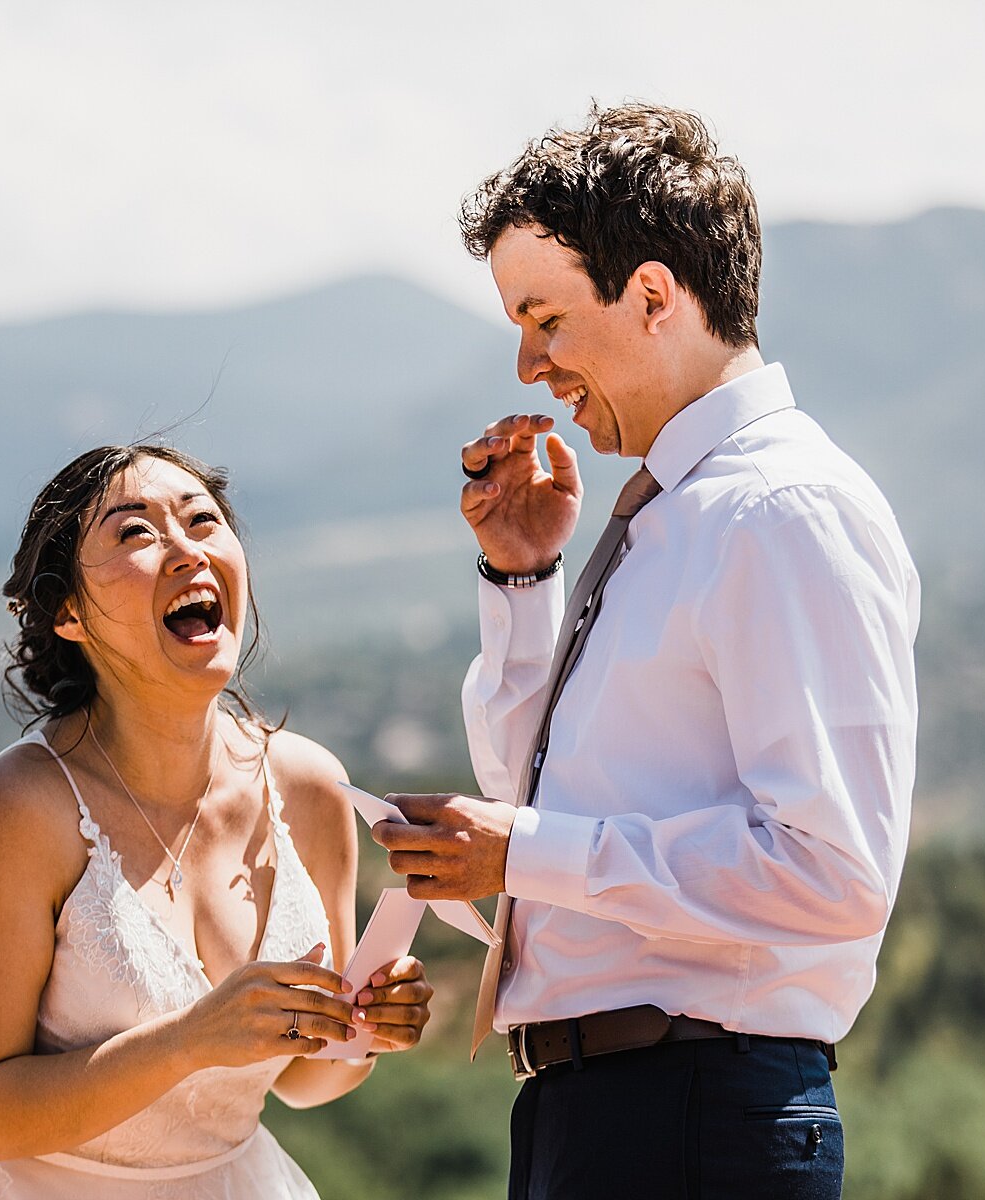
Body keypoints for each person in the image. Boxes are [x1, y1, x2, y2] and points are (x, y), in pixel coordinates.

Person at [371, 103, 919, 1197]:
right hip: (608, 1117)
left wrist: (523, 855)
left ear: (655, 296)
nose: (530, 365)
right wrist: (524, 579)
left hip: (696, 1118)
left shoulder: (780, 510)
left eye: (547, 320)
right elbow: (540, 792)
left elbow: (832, 871)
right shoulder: (675, 513)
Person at [0, 444, 433, 1199]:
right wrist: (187, 1041)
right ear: (68, 613)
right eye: (136, 533)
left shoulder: (310, 788)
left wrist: (368, 1031)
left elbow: (306, 1080)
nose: (187, 551)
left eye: (203, 520)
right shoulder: (12, 815)